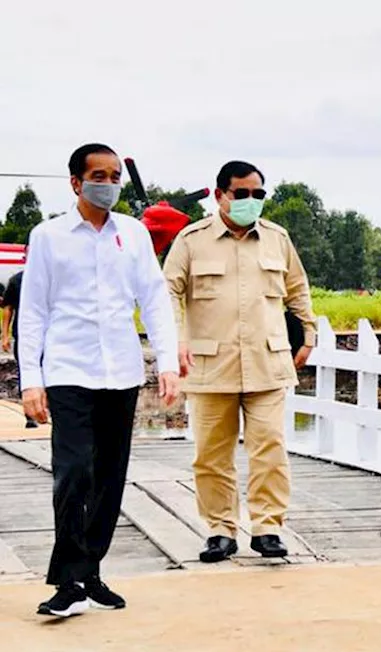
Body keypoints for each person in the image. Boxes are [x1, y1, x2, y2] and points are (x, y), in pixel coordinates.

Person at [18, 143, 181, 617]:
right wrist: (32, 380)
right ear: (75, 182)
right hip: (69, 369)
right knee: (73, 472)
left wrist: (166, 363)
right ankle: (68, 583)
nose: (108, 184)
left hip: (122, 371)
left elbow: (154, 301)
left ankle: (90, 572)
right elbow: (33, 312)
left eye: (114, 177)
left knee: (110, 477)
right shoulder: (48, 236)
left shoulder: (131, 235)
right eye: (99, 176)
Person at [163, 160, 316, 563]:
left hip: (267, 362)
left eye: (258, 194)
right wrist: (176, 342)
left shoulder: (277, 239)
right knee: (213, 454)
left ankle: (268, 527)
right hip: (210, 365)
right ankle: (220, 530)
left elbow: (298, 290)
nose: (250, 201)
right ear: (219, 196)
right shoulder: (192, 241)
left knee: (270, 447)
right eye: (241, 194)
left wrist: (309, 334)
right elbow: (168, 294)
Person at [1, 265, 38, 428]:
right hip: (23, 334)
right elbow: (8, 308)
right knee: (26, 371)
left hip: (48, 334)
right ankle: (29, 414)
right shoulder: (17, 280)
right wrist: (5, 335)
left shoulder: (50, 277)